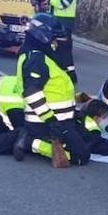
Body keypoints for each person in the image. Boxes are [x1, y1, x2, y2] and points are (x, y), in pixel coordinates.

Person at [12, 13, 90, 166]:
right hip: (45, 121)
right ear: (43, 36)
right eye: (54, 38)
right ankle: (30, 141)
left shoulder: (42, 55)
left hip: (62, 119)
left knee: (88, 139)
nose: (56, 43)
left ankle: (34, 138)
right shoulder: (36, 59)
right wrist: (50, 120)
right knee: (80, 157)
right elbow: (31, 93)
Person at [30, 98, 108, 162]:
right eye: (104, 117)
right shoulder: (91, 125)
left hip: (51, 130)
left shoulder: (77, 115)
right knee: (79, 157)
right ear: (96, 118)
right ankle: (29, 142)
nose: (105, 120)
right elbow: (99, 145)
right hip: (63, 142)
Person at [44, 0, 79, 83]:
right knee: (56, 49)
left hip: (64, 22)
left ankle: (71, 76)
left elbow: (63, 3)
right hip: (56, 20)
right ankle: (60, 74)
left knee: (64, 50)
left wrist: (50, 1)